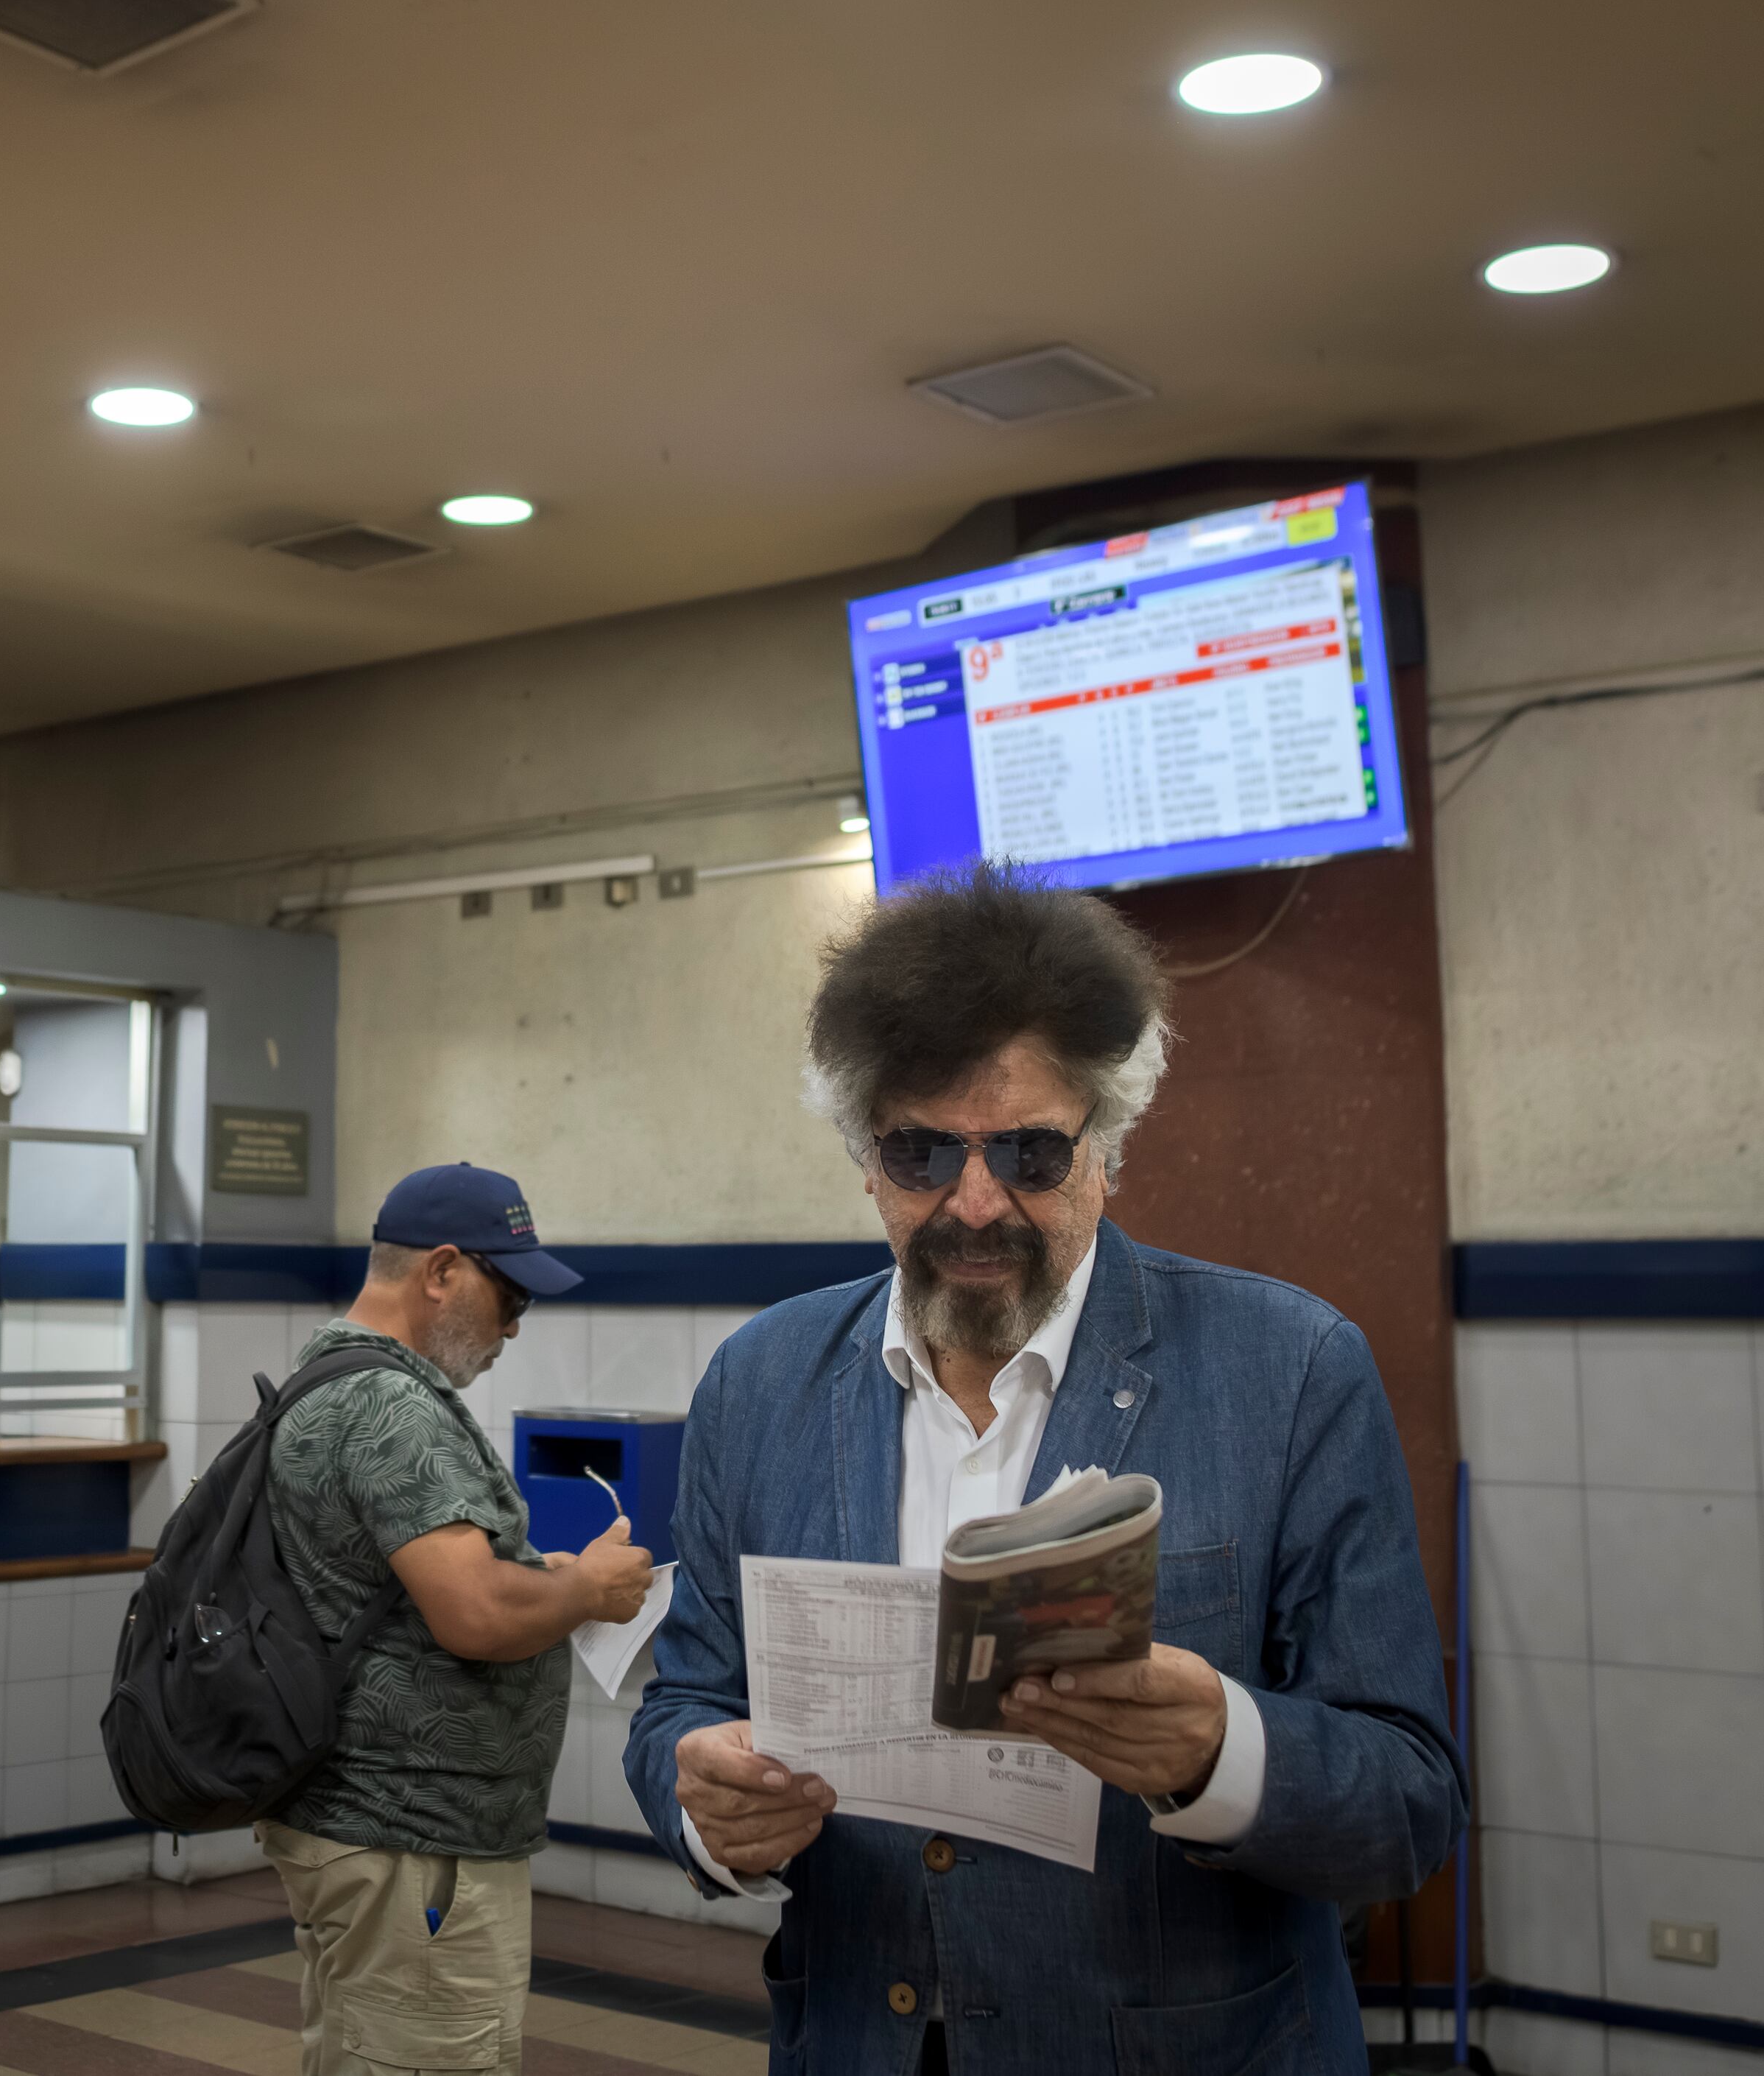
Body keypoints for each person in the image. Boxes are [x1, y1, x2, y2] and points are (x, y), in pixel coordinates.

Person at [625, 867, 1463, 2072]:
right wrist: (708, 1804)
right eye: (922, 1152)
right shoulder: (763, 1381)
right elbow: (681, 1709)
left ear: (1106, 1144)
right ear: (866, 1156)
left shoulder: (1289, 1371)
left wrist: (1219, 1750)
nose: (977, 1202)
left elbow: (1410, 1802)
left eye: (1030, 1151)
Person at [259, 1163, 657, 2076]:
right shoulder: (392, 1404)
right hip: (411, 1840)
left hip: (364, 1827)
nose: (514, 1326)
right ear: (440, 1271)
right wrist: (588, 1590)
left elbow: (427, 1581)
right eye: (507, 1294)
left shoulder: (328, 1373)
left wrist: (538, 1577)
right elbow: (474, 1614)